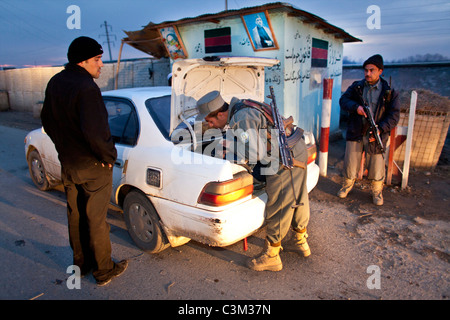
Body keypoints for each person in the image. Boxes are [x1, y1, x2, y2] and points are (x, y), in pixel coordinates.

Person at [41, 36, 128, 286]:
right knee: (96, 219)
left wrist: (64, 149)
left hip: (68, 164)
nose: (102, 65)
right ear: (83, 61)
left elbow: (47, 121)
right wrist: (108, 158)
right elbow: (96, 132)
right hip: (93, 167)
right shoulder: (87, 87)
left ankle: (81, 265)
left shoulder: (55, 82)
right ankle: (103, 270)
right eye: (98, 60)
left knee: (76, 216)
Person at [196, 91, 311, 272]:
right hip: (297, 148)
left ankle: (272, 256)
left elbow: (254, 153)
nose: (211, 126)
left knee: (280, 202)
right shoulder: (245, 105)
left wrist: (231, 151)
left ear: (220, 114)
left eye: (210, 122)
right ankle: (300, 241)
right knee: (297, 195)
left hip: (283, 158)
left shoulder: (240, 119)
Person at [338, 54, 400, 205]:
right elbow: (343, 101)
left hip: (376, 133)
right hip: (356, 131)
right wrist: (356, 107)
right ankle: (347, 186)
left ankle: (377, 192)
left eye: (372, 70)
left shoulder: (389, 92)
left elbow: (394, 116)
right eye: (366, 70)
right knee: (351, 162)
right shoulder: (357, 87)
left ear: (380, 71)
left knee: (377, 165)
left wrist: (380, 129)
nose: (368, 73)